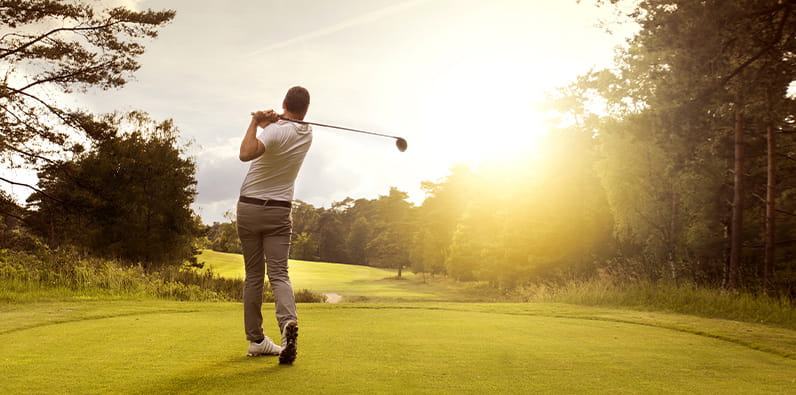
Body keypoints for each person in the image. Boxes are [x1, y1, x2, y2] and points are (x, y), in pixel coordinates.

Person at [237, 86, 312, 365]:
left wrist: (256, 122)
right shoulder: (307, 134)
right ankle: (287, 324)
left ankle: (256, 340)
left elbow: (246, 153)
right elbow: (282, 131)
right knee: (279, 274)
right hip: (280, 211)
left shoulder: (274, 131)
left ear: (283, 103)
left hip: (249, 207)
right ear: (306, 110)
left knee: (254, 276)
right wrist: (271, 122)